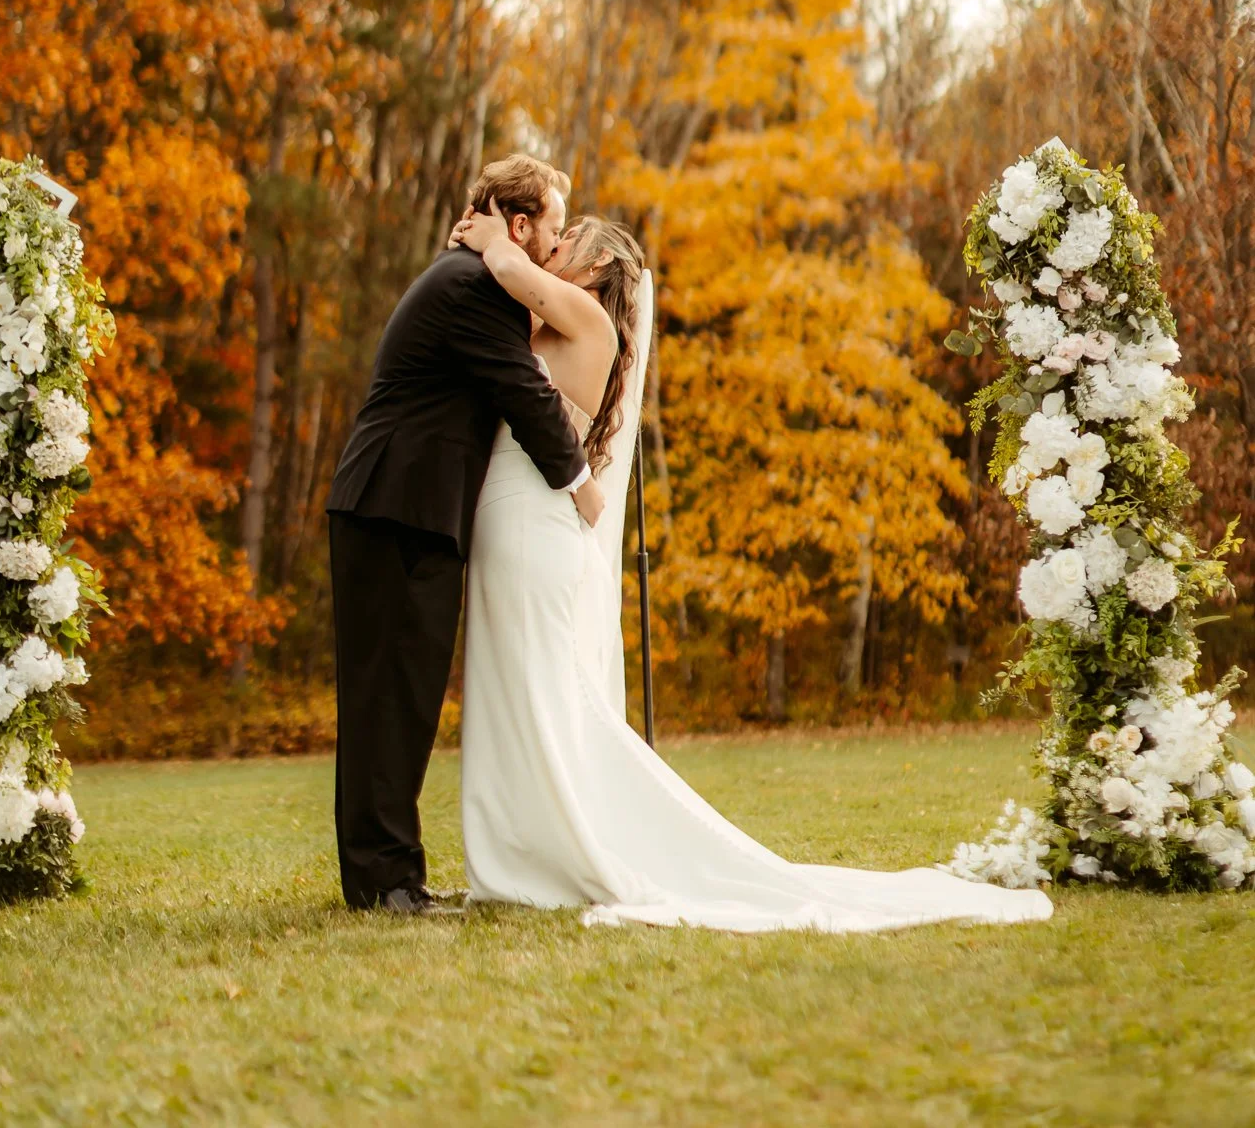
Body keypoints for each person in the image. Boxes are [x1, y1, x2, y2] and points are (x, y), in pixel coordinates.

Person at [453, 205, 1054, 935]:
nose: (554, 246)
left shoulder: (585, 316)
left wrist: (489, 236)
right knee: (518, 695)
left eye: (568, 240)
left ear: (599, 269)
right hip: (516, 525)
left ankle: (553, 852)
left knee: (540, 697)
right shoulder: (551, 322)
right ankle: (522, 852)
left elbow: (511, 270)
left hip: (529, 529)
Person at [325, 154, 604, 914]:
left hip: (398, 509)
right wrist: (582, 488)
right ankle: (384, 883)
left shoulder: (476, 277)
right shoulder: (476, 289)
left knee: (399, 697)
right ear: (519, 224)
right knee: (389, 697)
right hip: (394, 508)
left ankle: (390, 875)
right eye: (549, 226)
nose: (554, 243)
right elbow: (523, 393)